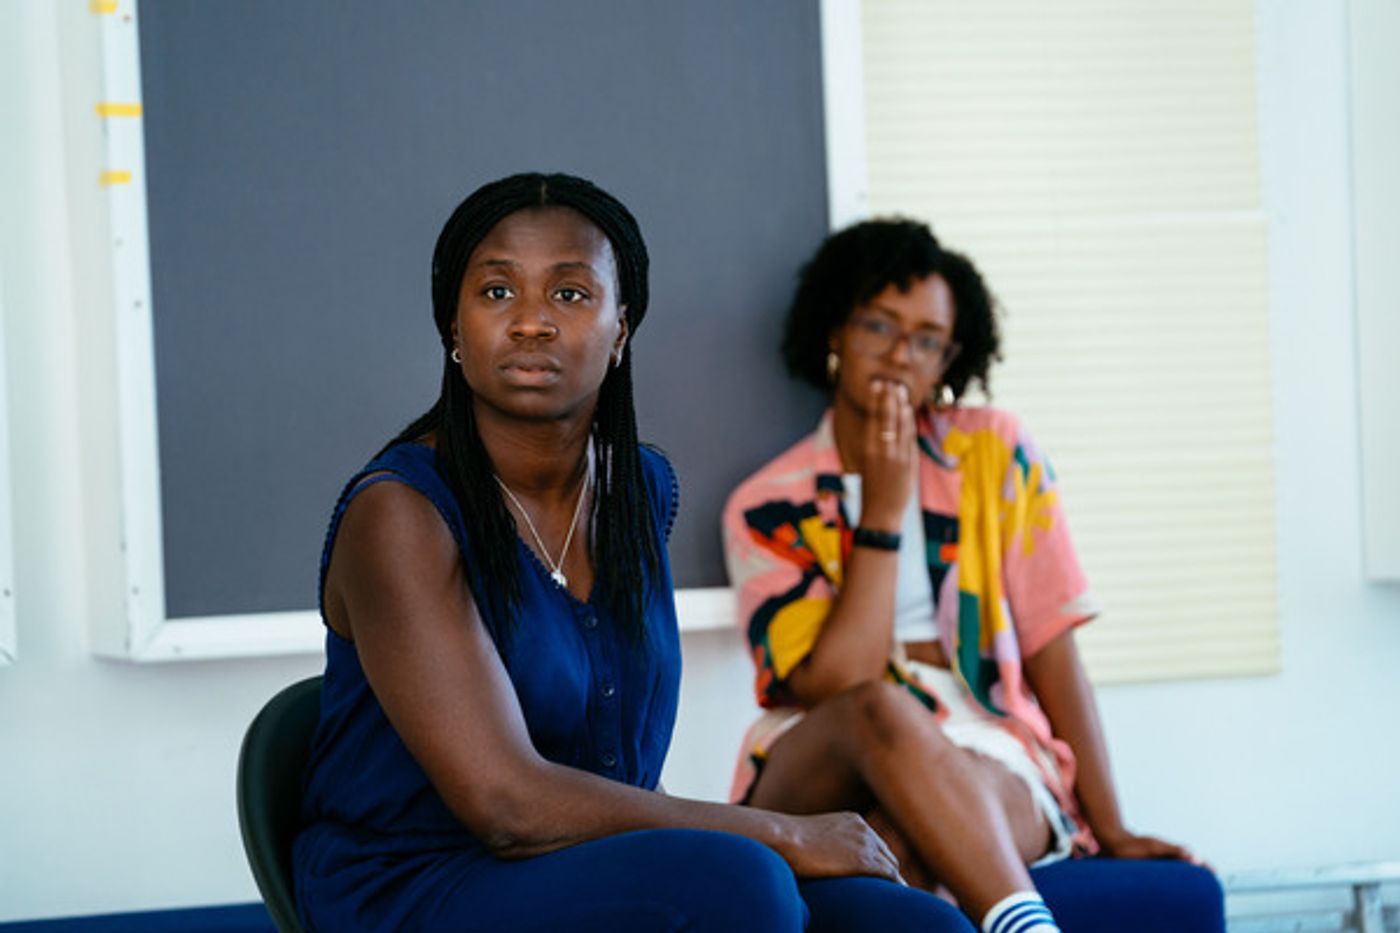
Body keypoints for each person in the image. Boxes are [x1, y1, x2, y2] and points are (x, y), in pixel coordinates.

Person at [293, 174, 977, 932]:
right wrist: (782, 831)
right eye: (496, 292)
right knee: (743, 883)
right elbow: (504, 805)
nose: (530, 322)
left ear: (621, 330)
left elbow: (619, 773)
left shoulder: (636, 489)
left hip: (587, 864)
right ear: (454, 327)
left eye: (570, 294)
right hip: (415, 885)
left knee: (918, 925)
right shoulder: (400, 514)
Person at [722, 219, 1226, 933]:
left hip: (983, 736)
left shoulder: (994, 452)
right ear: (836, 328)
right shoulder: (767, 504)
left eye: (927, 339)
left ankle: (1021, 925)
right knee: (880, 707)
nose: (901, 355)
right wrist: (885, 510)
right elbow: (837, 684)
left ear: (949, 360)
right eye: (879, 325)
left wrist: (1112, 827)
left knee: (909, 842)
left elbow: (1052, 648)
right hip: (826, 749)